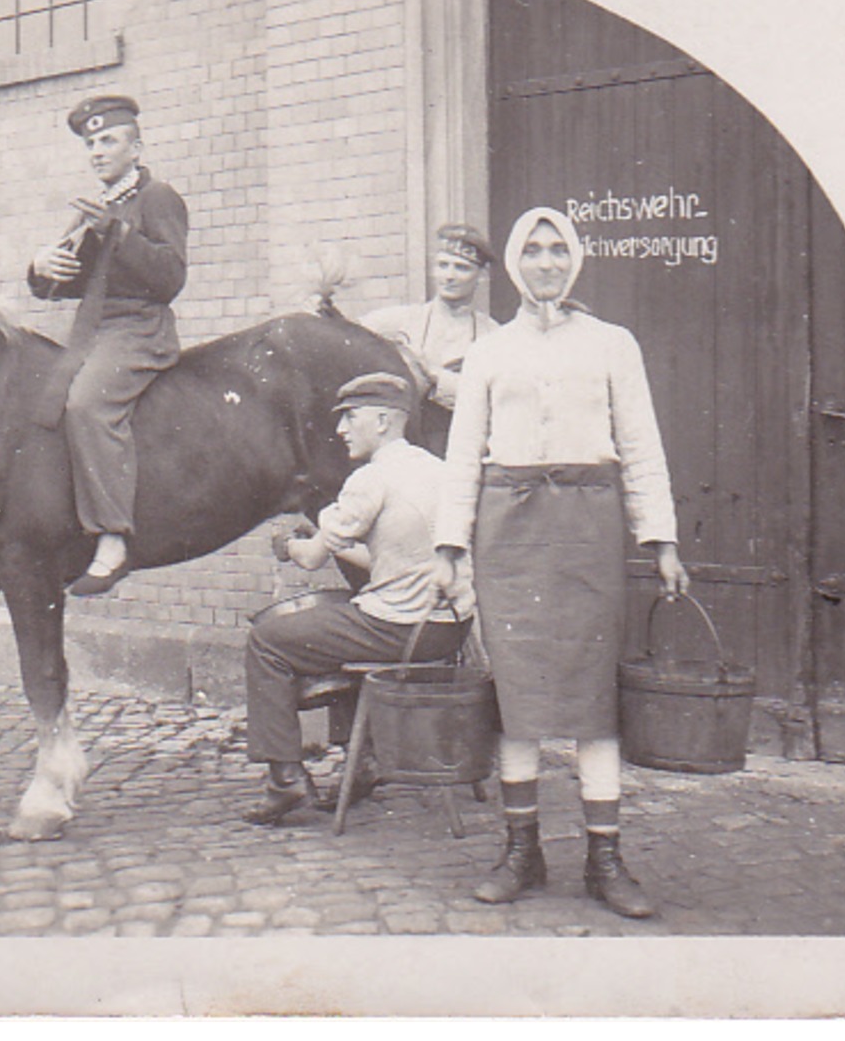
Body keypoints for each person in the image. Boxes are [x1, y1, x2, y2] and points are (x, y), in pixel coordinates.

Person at [434, 206, 690, 919]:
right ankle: (522, 852)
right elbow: (462, 457)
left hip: (587, 527)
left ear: (572, 260)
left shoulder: (612, 344)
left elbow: (640, 445)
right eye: (533, 250)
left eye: (557, 250)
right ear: (514, 264)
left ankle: (604, 860)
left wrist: (660, 540)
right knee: (516, 701)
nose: (546, 262)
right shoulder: (487, 352)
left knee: (590, 701)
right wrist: (449, 550)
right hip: (506, 529)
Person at [243, 372, 474, 825]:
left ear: (384, 420)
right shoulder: (439, 469)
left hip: (401, 629)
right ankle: (364, 759)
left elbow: (309, 559)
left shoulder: (370, 480)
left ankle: (285, 780)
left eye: (350, 417)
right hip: (449, 629)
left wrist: (289, 546)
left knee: (268, 639)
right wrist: (333, 539)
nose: (341, 429)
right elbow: (396, 560)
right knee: (337, 613)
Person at [28, 94, 190, 596]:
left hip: (140, 331)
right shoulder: (99, 207)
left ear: (136, 148)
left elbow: (170, 277)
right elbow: (67, 279)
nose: (97, 151)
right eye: (91, 143)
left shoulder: (156, 197)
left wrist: (116, 232)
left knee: (87, 405)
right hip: (93, 332)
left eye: (109, 140)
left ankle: (113, 538)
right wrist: (40, 268)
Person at [360, 223, 500, 454]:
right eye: (443, 265)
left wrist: (433, 373)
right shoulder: (402, 320)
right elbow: (351, 334)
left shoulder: (491, 335)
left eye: (462, 268)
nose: (449, 276)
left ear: (481, 277)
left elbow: (488, 401)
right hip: (409, 448)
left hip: (462, 449)